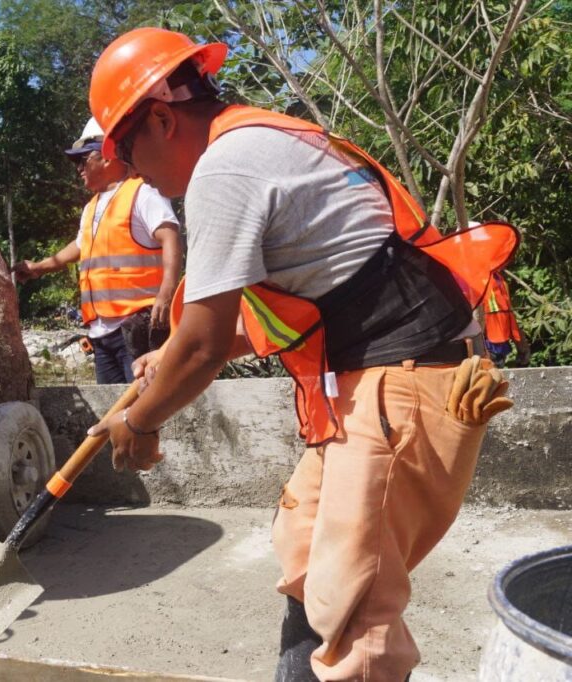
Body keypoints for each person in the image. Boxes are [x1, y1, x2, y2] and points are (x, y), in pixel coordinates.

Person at [84, 28, 518, 681]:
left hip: (398, 381)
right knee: (310, 556)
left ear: (163, 119)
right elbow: (250, 324)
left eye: (125, 149)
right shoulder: (270, 140)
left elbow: (202, 347)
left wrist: (140, 422)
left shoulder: (226, 165)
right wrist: (165, 361)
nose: (131, 171)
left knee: (355, 615)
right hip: (386, 376)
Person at [13, 118, 182, 384]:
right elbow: (81, 246)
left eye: (82, 160)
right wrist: (39, 267)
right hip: (102, 332)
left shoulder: (143, 192)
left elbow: (170, 236)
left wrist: (168, 290)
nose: (79, 169)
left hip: (137, 323)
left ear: (107, 156)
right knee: (112, 403)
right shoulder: (92, 207)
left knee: (143, 404)